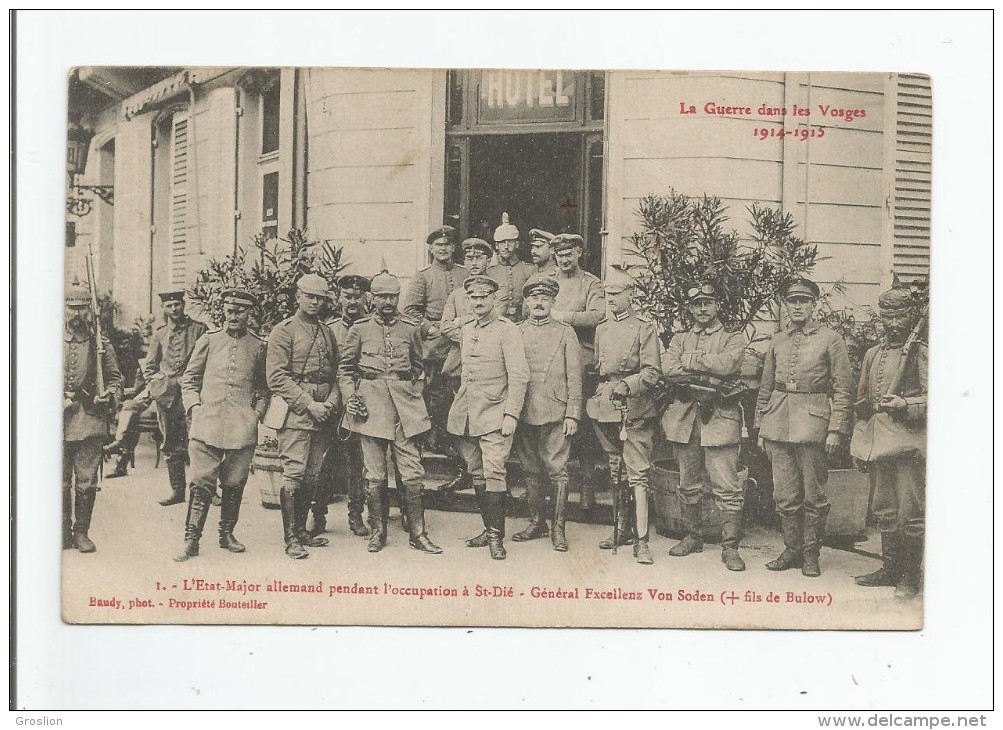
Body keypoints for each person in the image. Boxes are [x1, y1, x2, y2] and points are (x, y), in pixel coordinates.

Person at [338, 267, 442, 554]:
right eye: (381, 296)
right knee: (374, 473)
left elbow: (419, 370)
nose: (387, 302)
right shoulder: (359, 330)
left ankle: (418, 534)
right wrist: (350, 398)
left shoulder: (410, 329)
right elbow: (345, 371)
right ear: (371, 298)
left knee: (411, 471)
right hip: (370, 409)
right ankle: (378, 531)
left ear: (398, 298)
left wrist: (413, 397)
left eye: (392, 297)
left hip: (405, 410)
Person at [756, 277, 853, 578]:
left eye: (804, 301)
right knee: (784, 495)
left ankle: (811, 554)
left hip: (812, 425)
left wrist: (836, 429)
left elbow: (844, 388)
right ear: (786, 305)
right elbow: (766, 387)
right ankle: (792, 550)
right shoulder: (777, 340)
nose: (797, 306)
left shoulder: (830, 339)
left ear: (813, 305)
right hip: (777, 423)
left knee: (813, 495)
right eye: (792, 301)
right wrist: (761, 426)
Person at [175, 289, 268, 562]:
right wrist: (194, 406)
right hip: (208, 422)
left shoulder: (258, 345)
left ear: (249, 313)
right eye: (230, 310)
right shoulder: (209, 340)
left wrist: (256, 414)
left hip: (242, 426)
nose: (234, 316)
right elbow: (189, 379)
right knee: (201, 483)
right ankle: (191, 540)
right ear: (223, 311)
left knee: (234, 482)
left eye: (240, 311)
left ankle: (227, 534)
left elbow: (264, 389)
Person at [660, 284, 749, 571]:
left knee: (727, 485)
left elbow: (728, 364)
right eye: (696, 304)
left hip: (720, 417)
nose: (702, 309)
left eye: (707, 303)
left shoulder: (732, 337)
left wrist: (693, 362)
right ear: (689, 308)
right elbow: (669, 369)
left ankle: (730, 547)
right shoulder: (679, 338)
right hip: (685, 418)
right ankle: (692, 536)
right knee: (688, 482)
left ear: (717, 305)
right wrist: (706, 371)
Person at [851, 288, 927, 600]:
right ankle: (890, 568)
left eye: (900, 316)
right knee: (884, 507)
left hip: (909, 443)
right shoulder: (873, 354)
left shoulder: (921, 351)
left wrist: (906, 404)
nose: (893, 323)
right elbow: (862, 401)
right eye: (887, 316)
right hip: (878, 441)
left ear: (911, 316)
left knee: (910, 510)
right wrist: (859, 439)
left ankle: (910, 576)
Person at [447, 275, 529, 560]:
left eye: (484, 296)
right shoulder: (467, 327)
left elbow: (519, 376)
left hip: (496, 413)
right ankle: (488, 528)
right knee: (477, 472)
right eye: (473, 296)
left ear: (495, 298)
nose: (478, 301)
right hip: (468, 412)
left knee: (494, 472)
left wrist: (511, 415)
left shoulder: (508, 330)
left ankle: (496, 537)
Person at [587, 266, 661, 564]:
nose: (611, 299)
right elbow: (598, 369)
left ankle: (642, 541)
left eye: (617, 294)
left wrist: (627, 385)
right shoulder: (602, 328)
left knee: (637, 475)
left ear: (631, 295)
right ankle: (621, 529)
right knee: (615, 470)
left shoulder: (645, 327)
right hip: (605, 409)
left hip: (635, 409)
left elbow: (653, 372)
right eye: (607, 295)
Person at [265, 273, 341, 559]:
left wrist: (332, 402)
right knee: (294, 473)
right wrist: (310, 404)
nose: (314, 302)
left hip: (323, 413)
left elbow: (335, 373)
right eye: (309, 296)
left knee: (312, 474)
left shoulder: (326, 331)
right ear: (297, 296)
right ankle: (290, 538)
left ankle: (302, 531)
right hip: (296, 412)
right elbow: (276, 377)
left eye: (320, 298)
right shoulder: (283, 331)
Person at [511, 275, 583, 551]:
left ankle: (558, 529)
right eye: (534, 298)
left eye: (545, 298)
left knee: (558, 471)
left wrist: (572, 414)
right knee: (530, 469)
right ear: (527, 302)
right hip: (524, 410)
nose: (539, 303)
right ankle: (536, 522)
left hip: (555, 411)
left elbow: (575, 376)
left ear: (553, 301)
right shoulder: (515, 331)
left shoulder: (566, 333)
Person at [63, 282, 124, 552]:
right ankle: (62, 531)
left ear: (90, 312)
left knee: (86, 481)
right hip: (54, 421)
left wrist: (108, 394)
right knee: (58, 481)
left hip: (89, 419)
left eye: (81, 308)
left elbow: (115, 380)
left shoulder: (101, 345)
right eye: (71, 308)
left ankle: (81, 533)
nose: (76, 314)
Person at [550, 233, 606, 510]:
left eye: (569, 252)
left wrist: (563, 317)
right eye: (559, 253)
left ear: (579, 253)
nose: (564, 258)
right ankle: (551, 485)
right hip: (550, 356)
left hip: (581, 355)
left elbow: (597, 315)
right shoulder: (548, 282)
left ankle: (587, 484)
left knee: (581, 423)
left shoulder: (591, 283)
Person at [315, 275, 372, 539]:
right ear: (338, 297)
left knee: (359, 462)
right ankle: (318, 515)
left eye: (357, 296)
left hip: (362, 403)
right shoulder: (329, 328)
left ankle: (356, 515)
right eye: (347, 296)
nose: (352, 301)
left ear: (365, 298)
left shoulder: (371, 326)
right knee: (324, 462)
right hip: (334, 404)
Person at [402, 225, 468, 453]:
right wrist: (429, 328)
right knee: (436, 394)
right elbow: (410, 310)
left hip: (460, 342)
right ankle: (436, 438)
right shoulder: (423, 277)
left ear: (454, 247)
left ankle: (457, 441)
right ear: (431, 248)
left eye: (448, 244)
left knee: (459, 392)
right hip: (434, 345)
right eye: (439, 245)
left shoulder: (465, 274)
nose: (443, 249)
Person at [143, 290, 208, 506]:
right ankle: (177, 491)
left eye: (177, 305)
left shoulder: (200, 330)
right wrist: (157, 386)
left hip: (194, 396)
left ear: (184, 305)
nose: (174, 309)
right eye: (169, 306)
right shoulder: (160, 334)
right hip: (167, 397)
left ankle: (206, 492)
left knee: (200, 443)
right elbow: (150, 366)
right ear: (164, 309)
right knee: (171, 443)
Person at [103, 365, 151, 478]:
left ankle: (119, 446)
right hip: (144, 402)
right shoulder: (144, 366)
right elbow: (137, 390)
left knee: (130, 408)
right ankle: (121, 463)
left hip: (162, 399)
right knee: (132, 418)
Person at [487, 213, 535, 322]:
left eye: (510, 242)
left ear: (517, 244)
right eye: (502, 243)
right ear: (496, 246)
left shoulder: (529, 270)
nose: (506, 247)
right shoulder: (490, 272)